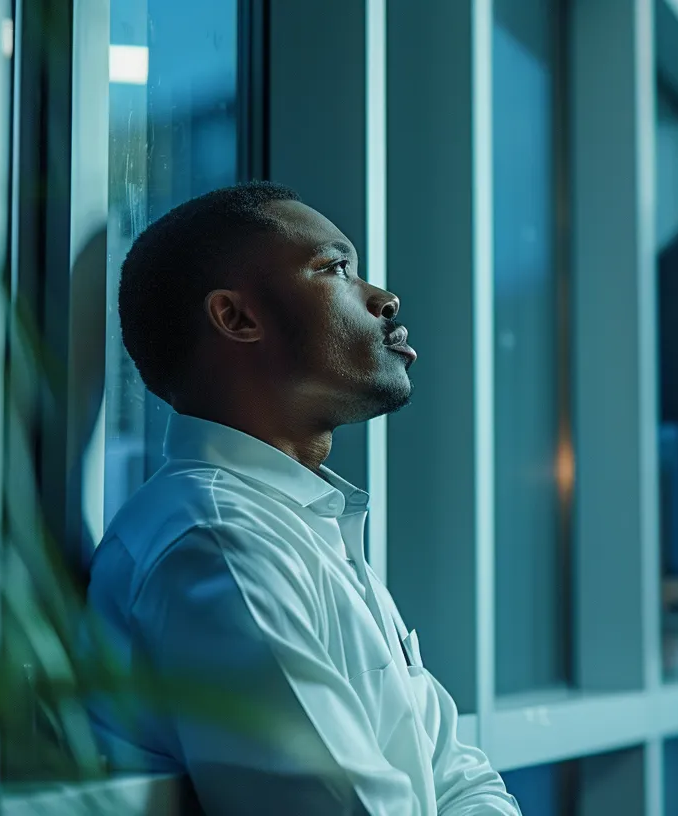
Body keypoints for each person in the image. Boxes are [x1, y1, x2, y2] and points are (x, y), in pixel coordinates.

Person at [84, 181, 521, 816]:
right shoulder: (217, 542)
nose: (384, 297)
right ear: (237, 317)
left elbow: (462, 782)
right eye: (336, 268)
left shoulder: (302, 527)